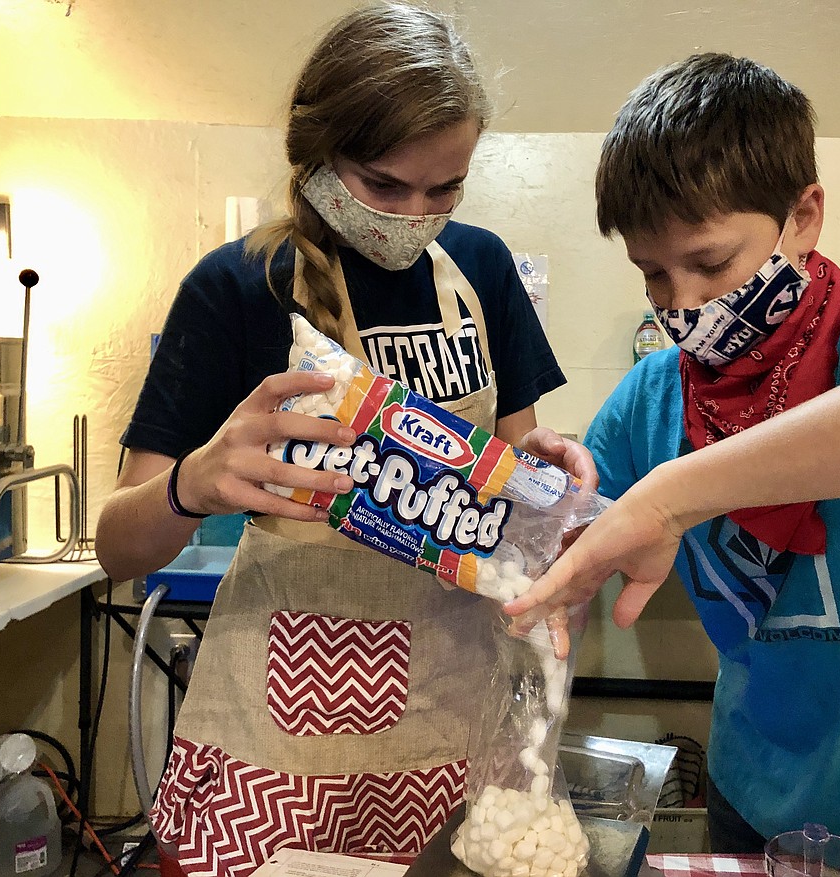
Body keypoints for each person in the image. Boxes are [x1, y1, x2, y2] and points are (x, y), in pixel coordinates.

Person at [94, 4, 593, 875]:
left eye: (446, 190)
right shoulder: (237, 288)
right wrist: (192, 485)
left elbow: (513, 505)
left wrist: (544, 485)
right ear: (317, 156)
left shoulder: (483, 275)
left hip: (452, 716)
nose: (416, 215)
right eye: (384, 185)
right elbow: (117, 548)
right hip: (278, 734)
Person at [504, 54, 840, 867]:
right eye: (652, 272)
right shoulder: (655, 395)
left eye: (711, 263)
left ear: (803, 216)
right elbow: (575, 531)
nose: (680, 302)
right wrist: (545, 490)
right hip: (750, 792)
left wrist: (675, 495)